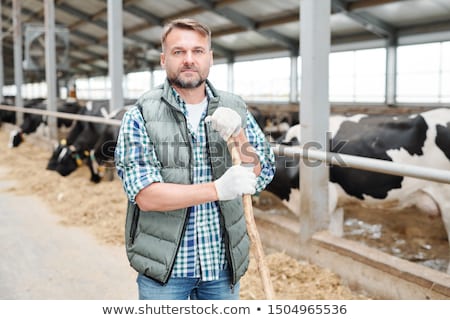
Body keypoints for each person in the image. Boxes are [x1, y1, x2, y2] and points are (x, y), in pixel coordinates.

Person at [114, 18, 275, 300]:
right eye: (179, 52)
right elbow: (146, 195)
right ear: (164, 59)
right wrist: (217, 189)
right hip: (165, 271)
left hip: (222, 269)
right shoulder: (140, 114)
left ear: (210, 58)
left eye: (198, 51)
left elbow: (260, 174)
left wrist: (239, 136)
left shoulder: (235, 107)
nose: (189, 60)